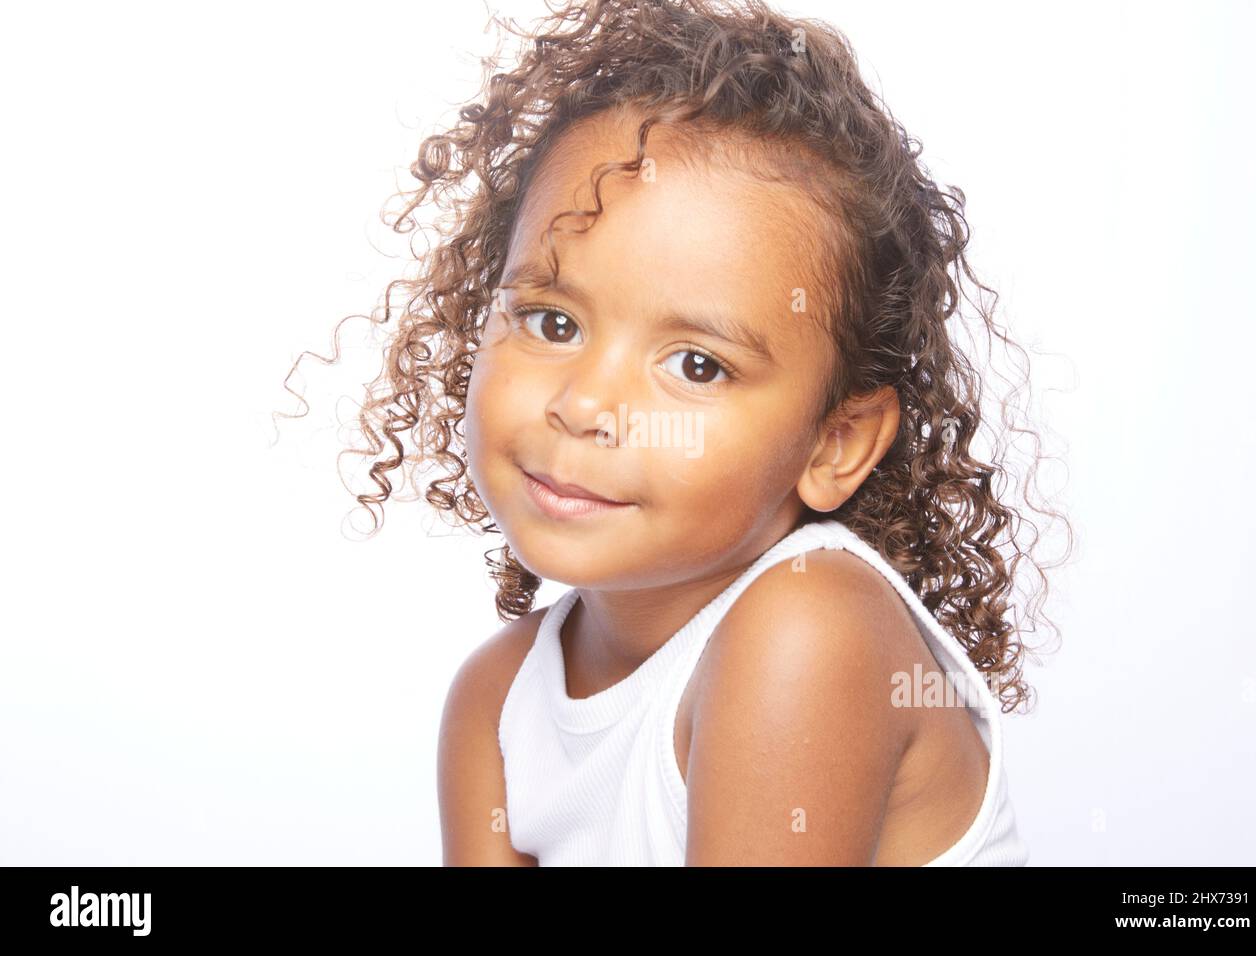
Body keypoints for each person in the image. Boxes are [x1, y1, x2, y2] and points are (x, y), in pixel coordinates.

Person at [297, 0, 1069, 865]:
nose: (587, 405)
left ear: (836, 442)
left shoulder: (809, 631)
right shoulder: (495, 701)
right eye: (552, 323)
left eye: (697, 365)